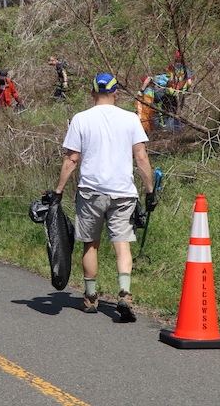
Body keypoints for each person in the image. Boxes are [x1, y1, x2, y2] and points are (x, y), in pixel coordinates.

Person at [51, 73, 156, 322]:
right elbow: (141, 157)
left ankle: (90, 297)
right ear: (116, 92)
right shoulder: (130, 119)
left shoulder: (81, 119)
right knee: (122, 244)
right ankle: (125, 293)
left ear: (92, 93)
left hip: (91, 192)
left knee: (91, 244)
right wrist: (150, 190)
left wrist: (58, 191)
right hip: (123, 193)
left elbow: (72, 159)